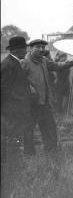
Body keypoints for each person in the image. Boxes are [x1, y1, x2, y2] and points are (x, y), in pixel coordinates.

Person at [21, 39, 73, 155]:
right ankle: (29, 154)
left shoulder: (44, 60)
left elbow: (57, 66)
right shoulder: (24, 62)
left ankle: (51, 152)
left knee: (50, 129)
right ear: (30, 48)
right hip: (31, 104)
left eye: (43, 47)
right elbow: (19, 81)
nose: (41, 49)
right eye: (38, 47)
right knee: (29, 130)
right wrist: (29, 90)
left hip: (44, 103)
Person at [1, 36, 31, 192]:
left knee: (15, 140)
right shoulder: (9, 65)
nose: (26, 50)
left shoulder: (14, 63)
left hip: (15, 112)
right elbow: (3, 92)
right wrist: (7, 113)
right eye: (24, 48)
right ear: (16, 49)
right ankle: (11, 170)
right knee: (12, 141)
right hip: (11, 114)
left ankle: (14, 166)